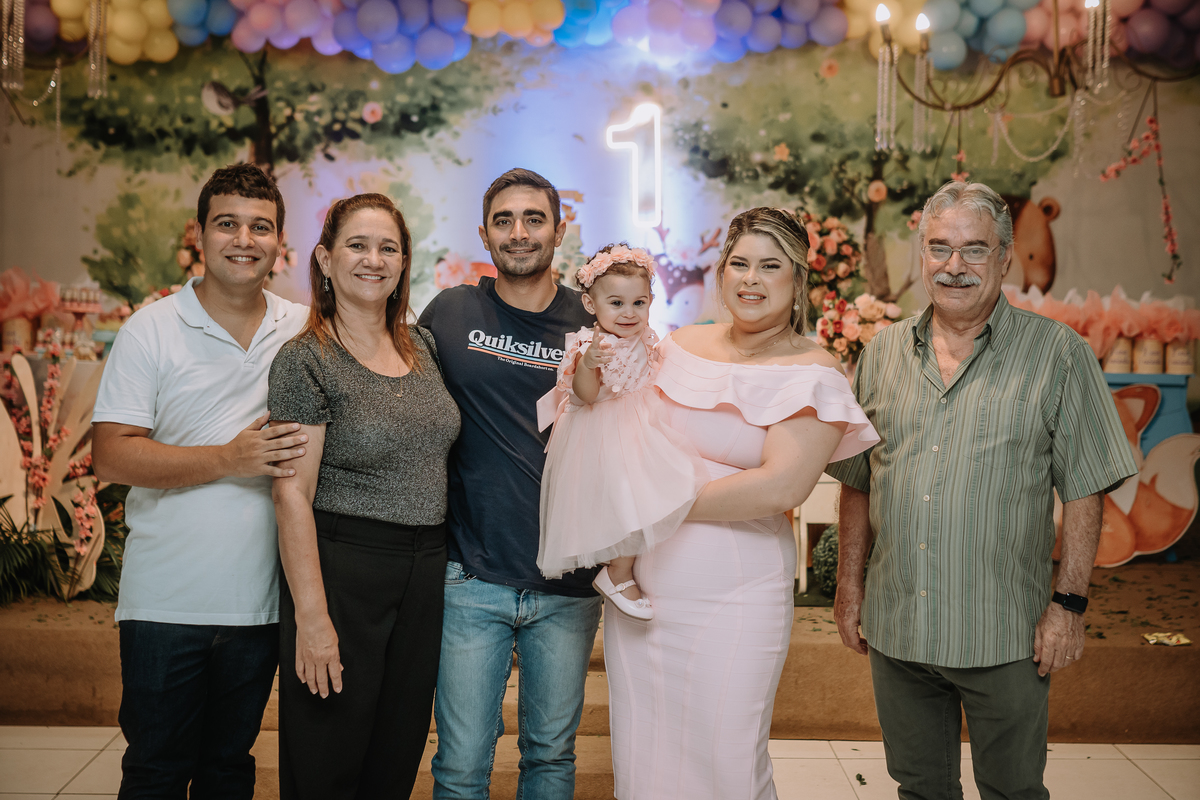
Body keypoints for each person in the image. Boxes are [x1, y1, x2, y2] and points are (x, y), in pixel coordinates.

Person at [827, 180, 1138, 800]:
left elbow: (1086, 486)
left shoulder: (1057, 354)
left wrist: (1069, 605)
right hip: (900, 627)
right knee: (919, 789)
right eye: (940, 247)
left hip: (1005, 632)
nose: (955, 266)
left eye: (974, 249)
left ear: (1004, 257)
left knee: (1013, 791)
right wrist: (849, 584)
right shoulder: (883, 353)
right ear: (922, 254)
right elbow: (859, 481)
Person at [604, 207, 879, 800]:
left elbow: (780, 487)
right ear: (722, 272)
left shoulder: (813, 371)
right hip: (643, 591)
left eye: (771, 266)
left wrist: (652, 500)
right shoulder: (679, 345)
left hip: (736, 593)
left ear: (798, 280)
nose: (751, 279)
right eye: (740, 264)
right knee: (645, 758)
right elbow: (626, 431)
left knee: (726, 760)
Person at [91, 163, 308, 799]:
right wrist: (228, 459)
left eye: (260, 227)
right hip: (165, 602)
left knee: (229, 769)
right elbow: (111, 456)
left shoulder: (302, 329)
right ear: (200, 234)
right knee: (156, 770)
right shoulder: (151, 328)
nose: (244, 239)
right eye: (227, 224)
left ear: (280, 241)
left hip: (260, 603)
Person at [267, 193, 460, 800]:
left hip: (424, 569)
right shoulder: (305, 360)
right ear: (325, 260)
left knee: (395, 756)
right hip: (343, 567)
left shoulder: (423, 347)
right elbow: (291, 495)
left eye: (388, 248)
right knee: (328, 759)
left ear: (403, 264)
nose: (373, 260)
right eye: (357, 245)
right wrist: (312, 619)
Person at [418, 168, 601, 800]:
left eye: (533, 219)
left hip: (569, 580)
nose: (519, 232)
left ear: (560, 230)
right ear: (484, 234)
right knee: (461, 766)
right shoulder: (450, 313)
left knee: (549, 757)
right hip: (471, 576)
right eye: (504, 220)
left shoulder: (594, 322)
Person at [536, 243, 707, 620]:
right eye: (616, 303)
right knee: (628, 500)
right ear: (590, 304)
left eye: (639, 303)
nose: (629, 313)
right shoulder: (590, 345)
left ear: (650, 302)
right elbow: (585, 395)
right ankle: (617, 572)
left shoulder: (645, 336)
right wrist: (588, 364)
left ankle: (644, 568)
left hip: (640, 423)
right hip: (603, 432)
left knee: (659, 491)